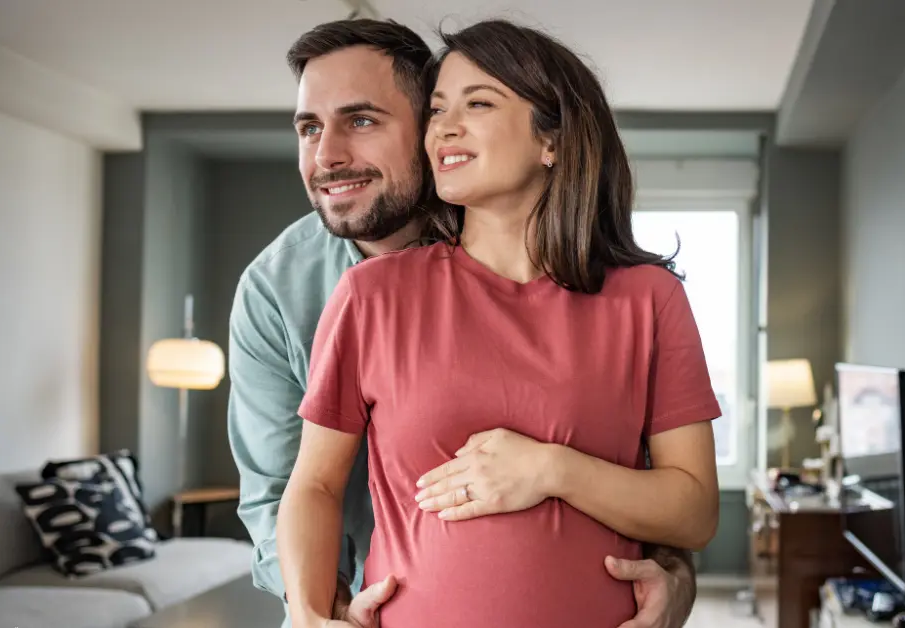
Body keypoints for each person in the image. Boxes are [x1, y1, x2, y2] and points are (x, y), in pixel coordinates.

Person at [227, 17, 705, 628]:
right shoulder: (291, 291)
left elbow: (669, 488)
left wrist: (677, 576)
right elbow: (286, 490)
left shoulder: (638, 296)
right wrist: (318, 611)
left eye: (363, 120)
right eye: (309, 128)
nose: (328, 154)